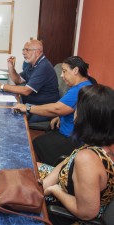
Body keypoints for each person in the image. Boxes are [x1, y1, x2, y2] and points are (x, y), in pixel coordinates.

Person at [38, 84, 114, 225]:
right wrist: (45, 183)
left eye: (77, 107)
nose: (74, 110)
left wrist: (55, 190)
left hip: (65, 213)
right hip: (61, 188)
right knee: (26, 167)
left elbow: (86, 212)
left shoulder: (88, 159)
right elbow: (66, 162)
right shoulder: (98, 147)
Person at [13, 56, 96, 165]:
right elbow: (69, 108)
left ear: (76, 70)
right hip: (69, 130)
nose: (61, 75)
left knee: (35, 143)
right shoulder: (86, 84)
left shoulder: (80, 89)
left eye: (64, 71)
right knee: (40, 139)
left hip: (72, 138)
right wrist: (60, 117)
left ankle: (50, 172)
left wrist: (28, 108)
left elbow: (57, 108)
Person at [0, 40, 60, 123]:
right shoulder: (32, 64)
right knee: (5, 111)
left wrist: (1, 86)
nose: (23, 53)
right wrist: (10, 67)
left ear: (37, 52)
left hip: (41, 108)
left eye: (27, 50)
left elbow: (26, 91)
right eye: (23, 50)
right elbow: (18, 80)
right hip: (29, 103)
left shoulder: (43, 66)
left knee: (9, 118)